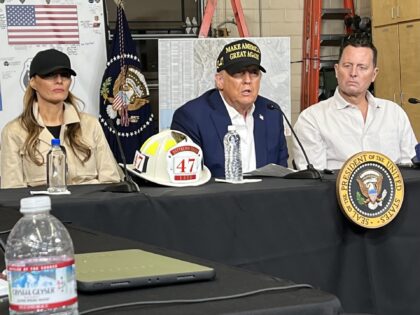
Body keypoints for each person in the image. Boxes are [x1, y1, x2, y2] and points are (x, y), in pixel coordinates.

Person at [1, 49, 122, 188]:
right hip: (44, 209)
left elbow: (111, 181)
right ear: (33, 82)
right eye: (50, 75)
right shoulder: (14, 132)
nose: (59, 81)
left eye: (65, 75)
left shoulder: (90, 125)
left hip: (89, 207)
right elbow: (11, 193)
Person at [293, 37, 417, 170]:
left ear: (374, 74)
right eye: (347, 66)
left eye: (362, 67)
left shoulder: (394, 113)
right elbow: (313, 182)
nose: (353, 73)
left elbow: (411, 168)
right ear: (336, 70)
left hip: (392, 190)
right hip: (334, 191)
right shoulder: (312, 119)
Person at [171, 39, 289, 177]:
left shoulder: (272, 113)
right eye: (238, 73)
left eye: (254, 72)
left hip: (265, 197)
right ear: (220, 80)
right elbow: (187, 179)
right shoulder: (191, 117)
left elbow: (282, 175)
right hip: (214, 197)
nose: (248, 80)